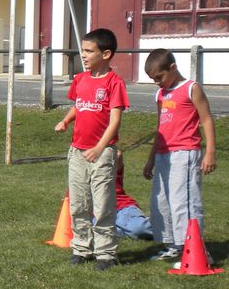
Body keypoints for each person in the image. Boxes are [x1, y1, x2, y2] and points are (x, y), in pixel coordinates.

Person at [54, 29, 129, 271]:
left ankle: (106, 253)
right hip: (77, 152)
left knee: (103, 204)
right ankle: (81, 248)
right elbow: (79, 105)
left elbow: (115, 120)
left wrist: (100, 147)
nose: (83, 55)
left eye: (89, 51)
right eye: (82, 50)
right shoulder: (81, 79)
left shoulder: (114, 83)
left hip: (102, 153)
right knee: (78, 203)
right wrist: (66, 121)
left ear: (106, 54)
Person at [142, 48, 217, 265]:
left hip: (184, 154)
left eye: (159, 77)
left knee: (184, 203)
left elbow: (207, 119)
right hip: (164, 155)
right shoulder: (160, 94)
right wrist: (151, 158)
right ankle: (175, 246)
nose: (157, 82)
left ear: (172, 68)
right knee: (162, 203)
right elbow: (160, 128)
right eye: (153, 79)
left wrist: (210, 152)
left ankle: (198, 250)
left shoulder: (191, 88)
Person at [114, 151, 153, 240]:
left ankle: (174, 228)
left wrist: (96, 150)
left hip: (121, 207)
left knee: (140, 229)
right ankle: (123, 230)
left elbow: (118, 155)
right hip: (95, 213)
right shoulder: (77, 164)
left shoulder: (110, 156)